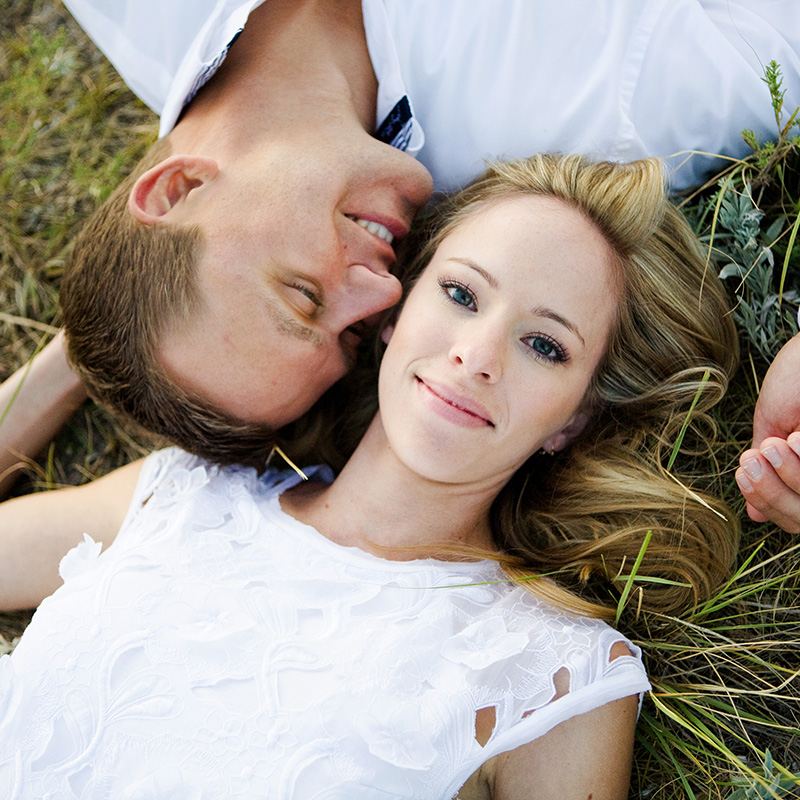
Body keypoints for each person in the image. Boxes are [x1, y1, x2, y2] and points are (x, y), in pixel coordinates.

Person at [0, 154, 739, 797]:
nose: (476, 355)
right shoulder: (186, 496)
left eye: (544, 346)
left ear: (574, 419)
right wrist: (94, 345)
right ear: (393, 311)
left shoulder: (553, 676)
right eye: (460, 295)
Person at [2, 2, 797, 507]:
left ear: (175, 191)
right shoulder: (603, 114)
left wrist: (87, 354)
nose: (382, 294)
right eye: (352, 339)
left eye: (304, 295)